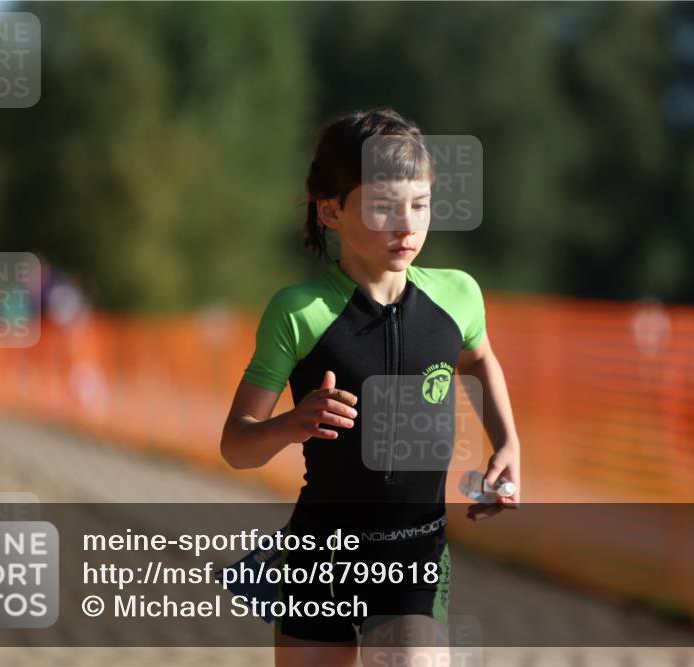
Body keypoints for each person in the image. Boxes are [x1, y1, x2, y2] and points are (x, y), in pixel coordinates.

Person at [220, 108, 522, 667]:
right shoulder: (299, 312)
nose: (407, 225)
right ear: (330, 210)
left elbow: (480, 359)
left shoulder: (457, 296)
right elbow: (237, 446)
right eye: (384, 207)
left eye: (420, 205)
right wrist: (291, 425)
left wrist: (507, 443)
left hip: (415, 558)